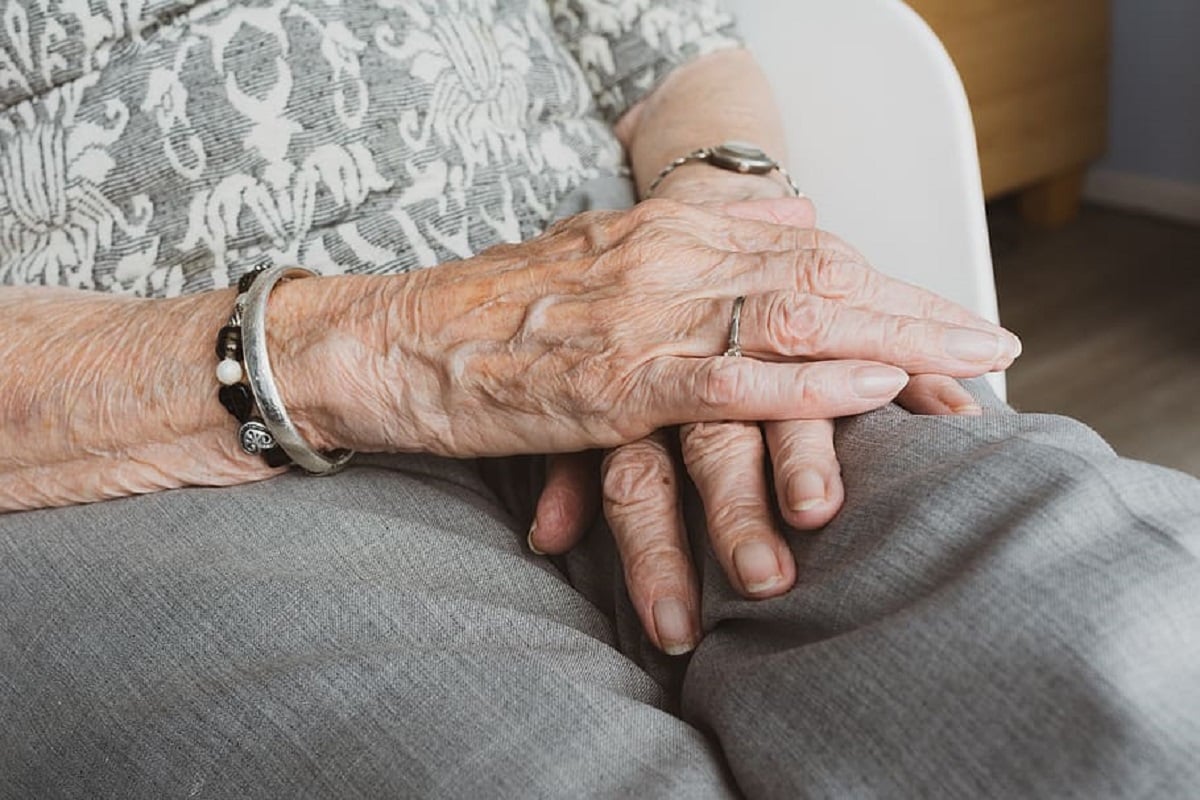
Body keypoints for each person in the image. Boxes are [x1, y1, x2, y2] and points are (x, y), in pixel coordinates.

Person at [0, 1, 1196, 797]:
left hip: (622, 320)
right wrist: (382, 346)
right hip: (158, 428)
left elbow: (676, 52)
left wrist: (715, 212)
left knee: (1122, 624)